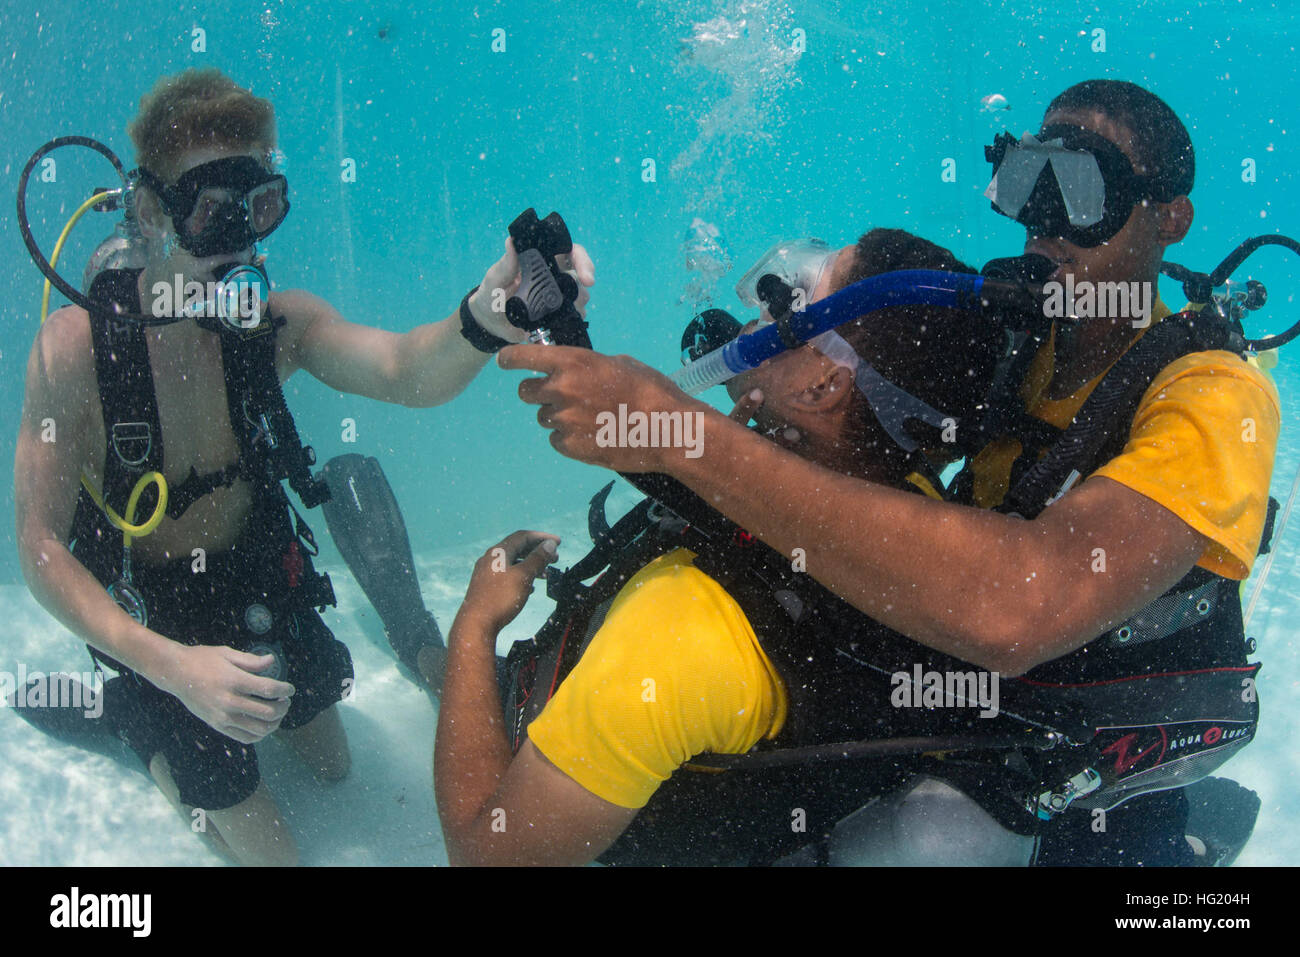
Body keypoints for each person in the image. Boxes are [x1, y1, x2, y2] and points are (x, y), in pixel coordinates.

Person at [494, 79, 1277, 864]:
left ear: (1169, 217)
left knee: (929, 837)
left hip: (1087, 744)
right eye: (1025, 180)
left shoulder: (1212, 395)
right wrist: (581, 344)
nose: (1044, 223)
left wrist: (680, 434)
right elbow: (856, 412)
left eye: (1079, 188)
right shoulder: (1028, 336)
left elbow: (1026, 606)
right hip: (964, 707)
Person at [12, 68, 592, 865]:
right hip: (154, 616)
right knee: (274, 854)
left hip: (257, 580)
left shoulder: (276, 326)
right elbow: (40, 546)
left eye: (259, 211)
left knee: (333, 764)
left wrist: (487, 313)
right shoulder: (73, 354)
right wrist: (173, 669)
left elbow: (400, 370)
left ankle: (188, 702)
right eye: (213, 213)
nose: (243, 243)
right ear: (151, 211)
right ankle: (130, 718)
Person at [435, 229, 1014, 865]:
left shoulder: (675, 641)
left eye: (783, 298)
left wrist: (474, 622)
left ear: (823, 386)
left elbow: (484, 856)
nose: (753, 313)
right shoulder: (913, 513)